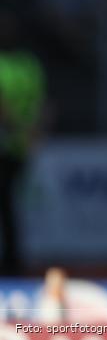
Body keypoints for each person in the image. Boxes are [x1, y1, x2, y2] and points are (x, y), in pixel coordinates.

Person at [0, 18, 46, 277]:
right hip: (23, 142)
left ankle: (11, 261)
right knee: (9, 203)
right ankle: (13, 258)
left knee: (6, 203)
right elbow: (42, 104)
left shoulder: (4, 66)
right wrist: (33, 133)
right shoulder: (31, 65)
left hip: (7, 141)